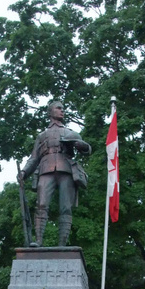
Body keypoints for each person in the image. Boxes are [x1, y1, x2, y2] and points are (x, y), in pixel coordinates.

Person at [19, 100, 91, 246]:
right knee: (41, 204)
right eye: (58, 108)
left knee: (65, 207)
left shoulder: (70, 133)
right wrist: (24, 172)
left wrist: (82, 146)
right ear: (50, 112)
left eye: (63, 109)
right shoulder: (42, 136)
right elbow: (34, 158)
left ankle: (62, 244)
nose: (62, 111)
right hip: (46, 170)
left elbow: (87, 150)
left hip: (66, 170)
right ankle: (38, 240)